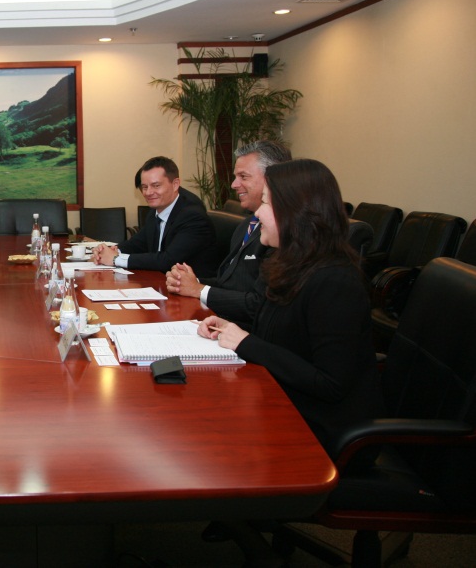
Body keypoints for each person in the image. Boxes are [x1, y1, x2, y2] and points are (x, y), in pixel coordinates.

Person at [197, 159, 381, 564]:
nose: (257, 213)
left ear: (297, 214)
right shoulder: (288, 265)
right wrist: (231, 328)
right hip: (288, 405)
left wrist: (247, 343)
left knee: (204, 438)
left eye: (267, 204)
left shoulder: (334, 280)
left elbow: (331, 383)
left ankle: (237, 520)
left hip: (329, 434)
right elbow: (277, 336)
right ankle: (234, 518)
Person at [165, 140, 291, 322]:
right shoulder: (246, 225)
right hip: (219, 321)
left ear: (273, 179)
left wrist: (198, 290)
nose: (233, 184)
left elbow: (259, 304)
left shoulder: (280, 234)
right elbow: (228, 283)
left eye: (243, 176)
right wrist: (190, 282)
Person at [92, 156, 219, 276]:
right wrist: (112, 250)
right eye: (144, 187)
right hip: (162, 280)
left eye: (156, 186)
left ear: (175, 184)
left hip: (191, 287)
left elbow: (168, 260)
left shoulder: (192, 215)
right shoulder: (156, 209)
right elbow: (139, 242)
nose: (148, 193)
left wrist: (116, 259)